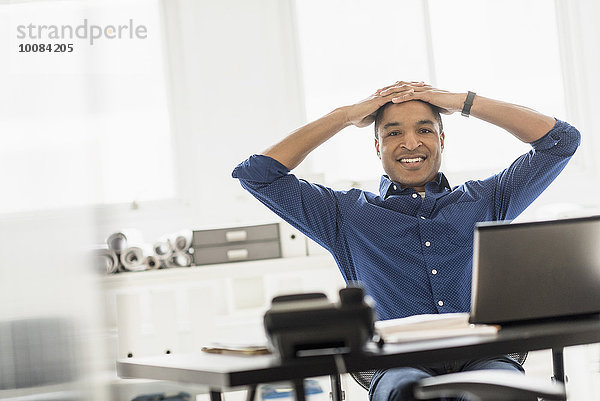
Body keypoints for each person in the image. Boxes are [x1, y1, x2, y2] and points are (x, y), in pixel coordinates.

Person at [231, 81, 581, 401]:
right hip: (396, 362)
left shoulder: (486, 199)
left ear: (441, 140)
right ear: (377, 146)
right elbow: (258, 175)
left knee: (501, 392)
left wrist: (461, 102)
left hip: (484, 354)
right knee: (407, 393)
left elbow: (561, 141)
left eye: (424, 130)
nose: (411, 143)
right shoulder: (345, 214)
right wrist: (345, 116)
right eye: (393, 132)